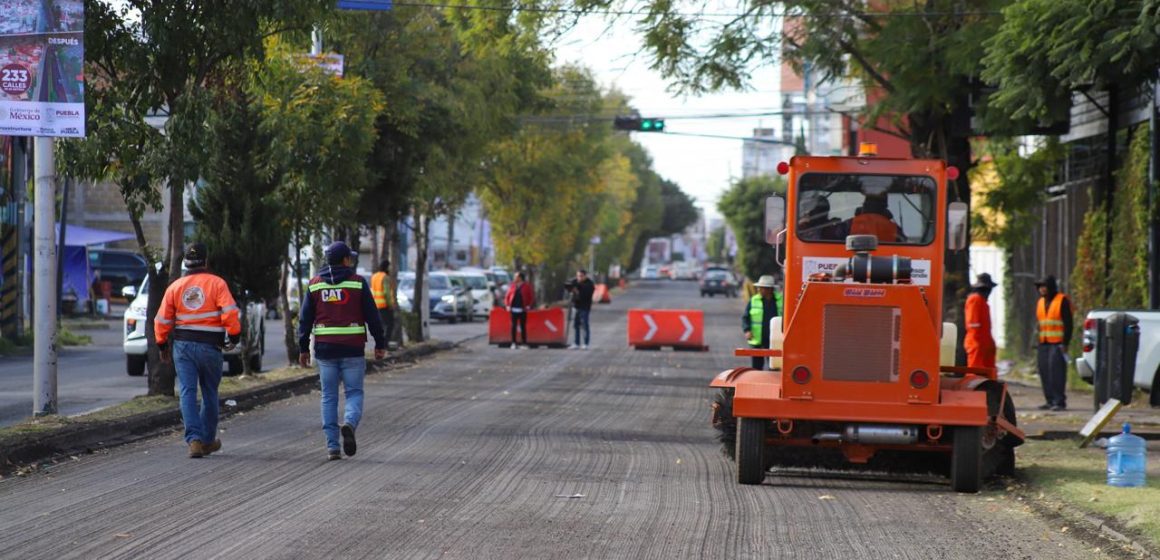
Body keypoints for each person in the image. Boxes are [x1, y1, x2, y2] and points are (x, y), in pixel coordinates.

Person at [298, 241, 386, 461]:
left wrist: (302, 348)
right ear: (345, 260)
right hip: (353, 347)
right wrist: (380, 343)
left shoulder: (315, 284)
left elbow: (304, 319)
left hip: (325, 349)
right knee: (354, 392)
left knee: (328, 396)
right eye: (350, 257)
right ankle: (349, 423)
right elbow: (372, 316)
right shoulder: (357, 283)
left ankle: (332, 447)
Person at [155, 243, 241, 459]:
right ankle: (207, 440)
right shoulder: (217, 284)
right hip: (211, 346)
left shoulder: (175, 287)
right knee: (210, 392)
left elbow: (162, 319)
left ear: (185, 262)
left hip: (183, 347)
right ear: (206, 261)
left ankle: (194, 440)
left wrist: (162, 344)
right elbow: (230, 314)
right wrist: (234, 336)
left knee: (187, 391)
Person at [1035, 275, 1072, 411]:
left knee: (1056, 373)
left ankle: (1059, 401)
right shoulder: (1040, 302)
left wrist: (1065, 343)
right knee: (1044, 372)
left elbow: (1068, 323)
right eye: (1039, 287)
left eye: (1044, 286)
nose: (1041, 289)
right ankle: (1049, 400)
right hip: (1043, 342)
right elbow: (1039, 323)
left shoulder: (1062, 300)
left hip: (1057, 343)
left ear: (1050, 287)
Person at [742, 275, 780, 370]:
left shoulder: (781, 300)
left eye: (761, 288)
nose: (759, 290)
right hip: (757, 340)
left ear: (769, 289)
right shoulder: (754, 300)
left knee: (774, 367)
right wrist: (747, 330)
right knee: (756, 368)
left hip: (775, 340)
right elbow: (745, 317)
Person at [964, 273, 998, 370]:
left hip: (984, 342)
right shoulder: (975, 299)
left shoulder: (982, 301)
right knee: (975, 372)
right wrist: (978, 344)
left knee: (988, 372)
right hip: (976, 342)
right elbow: (973, 324)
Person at [567, 269, 596, 349]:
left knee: (584, 325)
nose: (579, 278)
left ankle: (586, 343)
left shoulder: (589, 284)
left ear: (585, 276)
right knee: (576, 325)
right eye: (578, 276)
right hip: (576, 306)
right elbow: (568, 284)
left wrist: (577, 291)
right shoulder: (575, 282)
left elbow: (586, 295)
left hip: (585, 307)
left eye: (581, 276)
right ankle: (576, 343)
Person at [370, 259, 396, 348]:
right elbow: (387, 293)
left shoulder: (374, 276)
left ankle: (381, 344)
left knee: (381, 326)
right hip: (384, 305)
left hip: (376, 305)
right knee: (389, 325)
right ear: (387, 267)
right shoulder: (385, 277)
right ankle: (384, 345)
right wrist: (391, 305)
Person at [505, 271, 534, 349]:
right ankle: (513, 342)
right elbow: (507, 296)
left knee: (523, 326)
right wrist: (507, 305)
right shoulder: (512, 286)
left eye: (516, 276)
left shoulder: (526, 286)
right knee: (513, 326)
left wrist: (528, 306)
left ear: (520, 278)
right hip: (513, 309)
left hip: (522, 309)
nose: (515, 278)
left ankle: (524, 343)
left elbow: (531, 297)